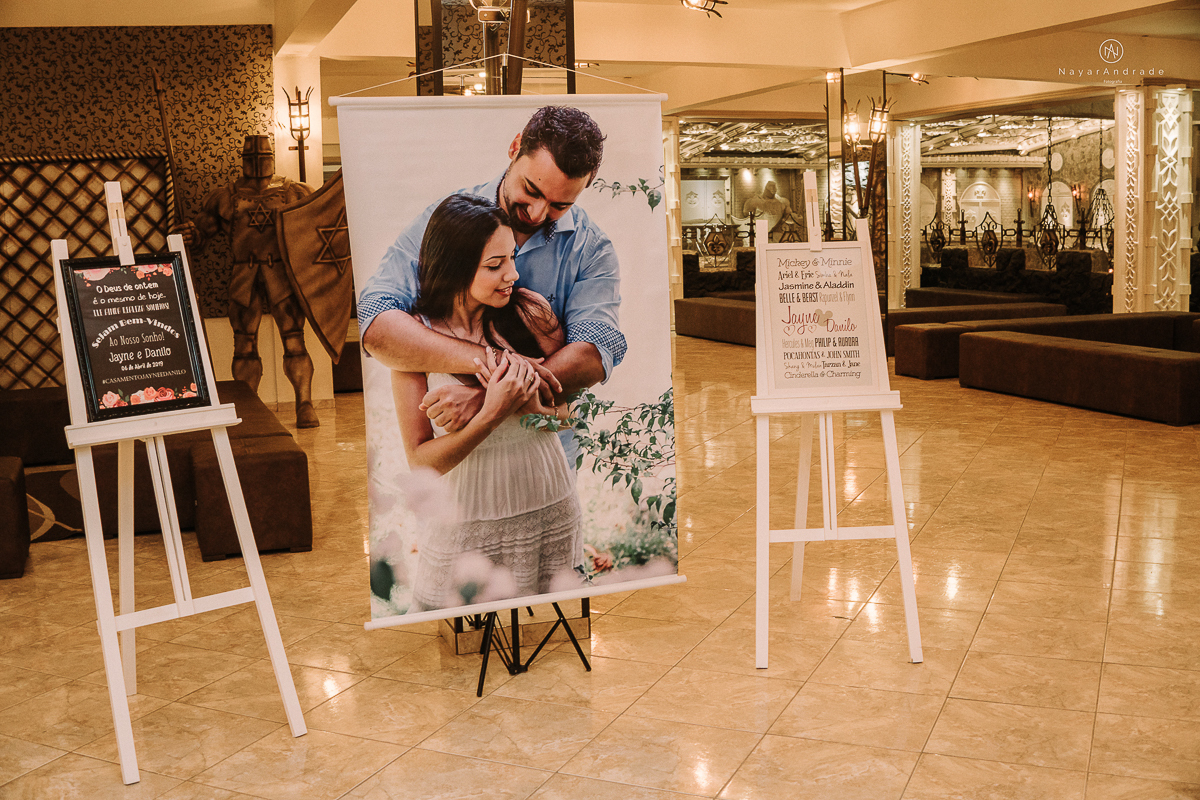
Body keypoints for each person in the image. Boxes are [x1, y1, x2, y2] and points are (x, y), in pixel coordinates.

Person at [358, 106, 625, 454]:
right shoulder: (445, 223)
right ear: (515, 147)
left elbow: (594, 352)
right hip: (459, 464)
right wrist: (500, 363)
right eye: (531, 190)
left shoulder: (592, 247)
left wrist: (486, 398)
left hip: (549, 456)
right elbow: (376, 324)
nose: (537, 214)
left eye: (560, 205)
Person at [394, 194, 581, 610]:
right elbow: (421, 461)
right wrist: (490, 413)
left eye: (511, 258)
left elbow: (571, 413)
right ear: (454, 267)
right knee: (465, 631)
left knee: (545, 625)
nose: (512, 274)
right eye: (495, 265)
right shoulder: (415, 340)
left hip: (547, 500)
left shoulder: (531, 313)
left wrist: (528, 406)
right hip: (463, 520)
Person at [175, 135, 320, 428]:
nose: (258, 162)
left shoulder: (295, 192)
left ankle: (304, 403)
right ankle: (249, 407)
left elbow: (320, 230)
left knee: (294, 340)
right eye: (252, 156)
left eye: (262, 156)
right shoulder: (225, 197)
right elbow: (203, 235)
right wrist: (191, 234)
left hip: (283, 275)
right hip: (244, 276)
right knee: (244, 345)